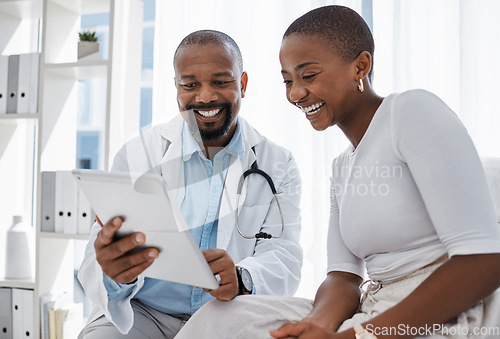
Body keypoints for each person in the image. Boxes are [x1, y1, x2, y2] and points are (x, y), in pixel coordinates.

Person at [174, 6, 500, 339]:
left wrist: (355, 336)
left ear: (360, 66)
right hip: (374, 308)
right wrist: (316, 326)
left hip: (441, 313)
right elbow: (343, 277)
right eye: (287, 80)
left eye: (308, 75)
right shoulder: (342, 166)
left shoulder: (411, 112)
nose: (295, 94)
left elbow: (484, 260)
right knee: (226, 316)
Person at [77, 30, 303, 339]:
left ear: (243, 84)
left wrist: (242, 277)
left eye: (221, 82)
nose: (205, 96)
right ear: (176, 87)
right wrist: (114, 273)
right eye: (190, 84)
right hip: (143, 312)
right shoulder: (138, 153)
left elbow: (283, 253)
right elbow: (98, 249)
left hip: (227, 315)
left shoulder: (277, 163)